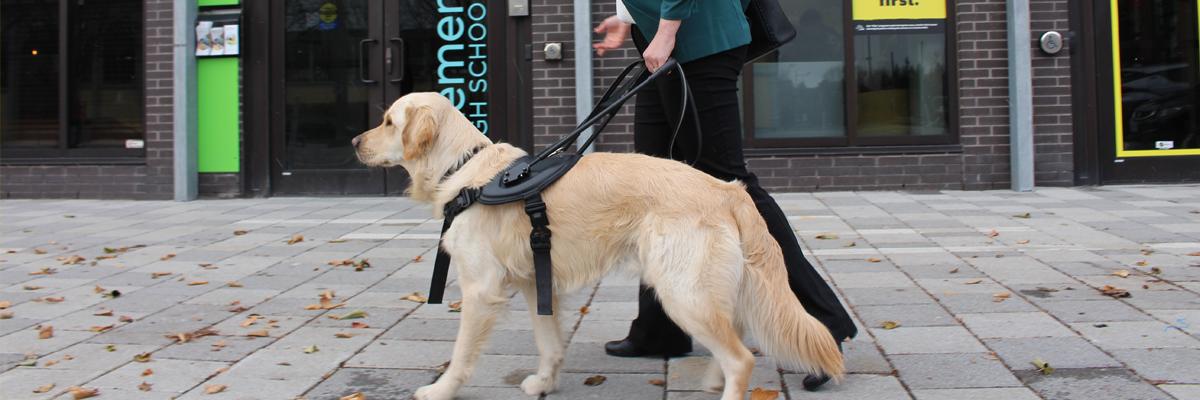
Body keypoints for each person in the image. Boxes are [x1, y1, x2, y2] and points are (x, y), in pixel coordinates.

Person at [592, 0, 858, 391]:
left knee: (731, 182)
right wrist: (630, 17)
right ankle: (659, 328)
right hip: (666, 40)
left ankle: (824, 321)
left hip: (699, 43)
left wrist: (665, 32)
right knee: (651, 182)